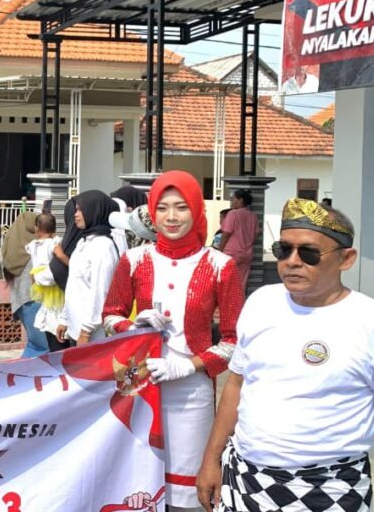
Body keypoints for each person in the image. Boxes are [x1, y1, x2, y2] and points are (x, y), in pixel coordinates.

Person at [197, 199, 374, 512]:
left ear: (346, 259)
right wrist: (211, 458)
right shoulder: (261, 302)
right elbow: (237, 383)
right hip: (244, 479)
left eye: (309, 253)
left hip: (330, 488)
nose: (292, 262)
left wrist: (344, 432)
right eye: (283, 250)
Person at [102, 171, 244, 512]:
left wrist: (189, 366)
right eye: (162, 208)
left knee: (186, 494)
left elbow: (235, 341)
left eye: (181, 207)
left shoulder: (221, 265)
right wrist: (132, 325)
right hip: (138, 387)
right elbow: (109, 317)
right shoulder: (134, 260)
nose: (171, 217)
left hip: (190, 394)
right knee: (137, 486)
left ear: (196, 210)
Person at [51, 191, 120, 349]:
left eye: (81, 210)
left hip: (93, 334)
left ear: (94, 212)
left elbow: (101, 291)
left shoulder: (103, 246)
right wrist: (64, 319)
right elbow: (74, 286)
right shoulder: (83, 243)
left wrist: (86, 332)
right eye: (76, 210)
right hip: (77, 328)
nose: (76, 215)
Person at [0, 210, 49, 358]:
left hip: (20, 303)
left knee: (35, 345)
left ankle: (22, 370)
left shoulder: (9, 246)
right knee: (44, 347)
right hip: (36, 302)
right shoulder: (36, 248)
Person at [27, 213, 64, 339]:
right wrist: (69, 263)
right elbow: (60, 255)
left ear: (36, 228)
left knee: (47, 306)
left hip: (37, 277)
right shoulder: (53, 243)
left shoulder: (33, 244)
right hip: (51, 278)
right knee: (56, 307)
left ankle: (49, 326)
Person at [217, 189, 258, 293]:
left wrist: (219, 250)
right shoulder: (253, 216)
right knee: (241, 283)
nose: (231, 202)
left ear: (240, 200)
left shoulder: (233, 214)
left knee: (226, 282)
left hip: (231, 252)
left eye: (233, 199)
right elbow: (256, 234)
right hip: (247, 253)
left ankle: (227, 302)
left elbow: (226, 234)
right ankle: (239, 302)